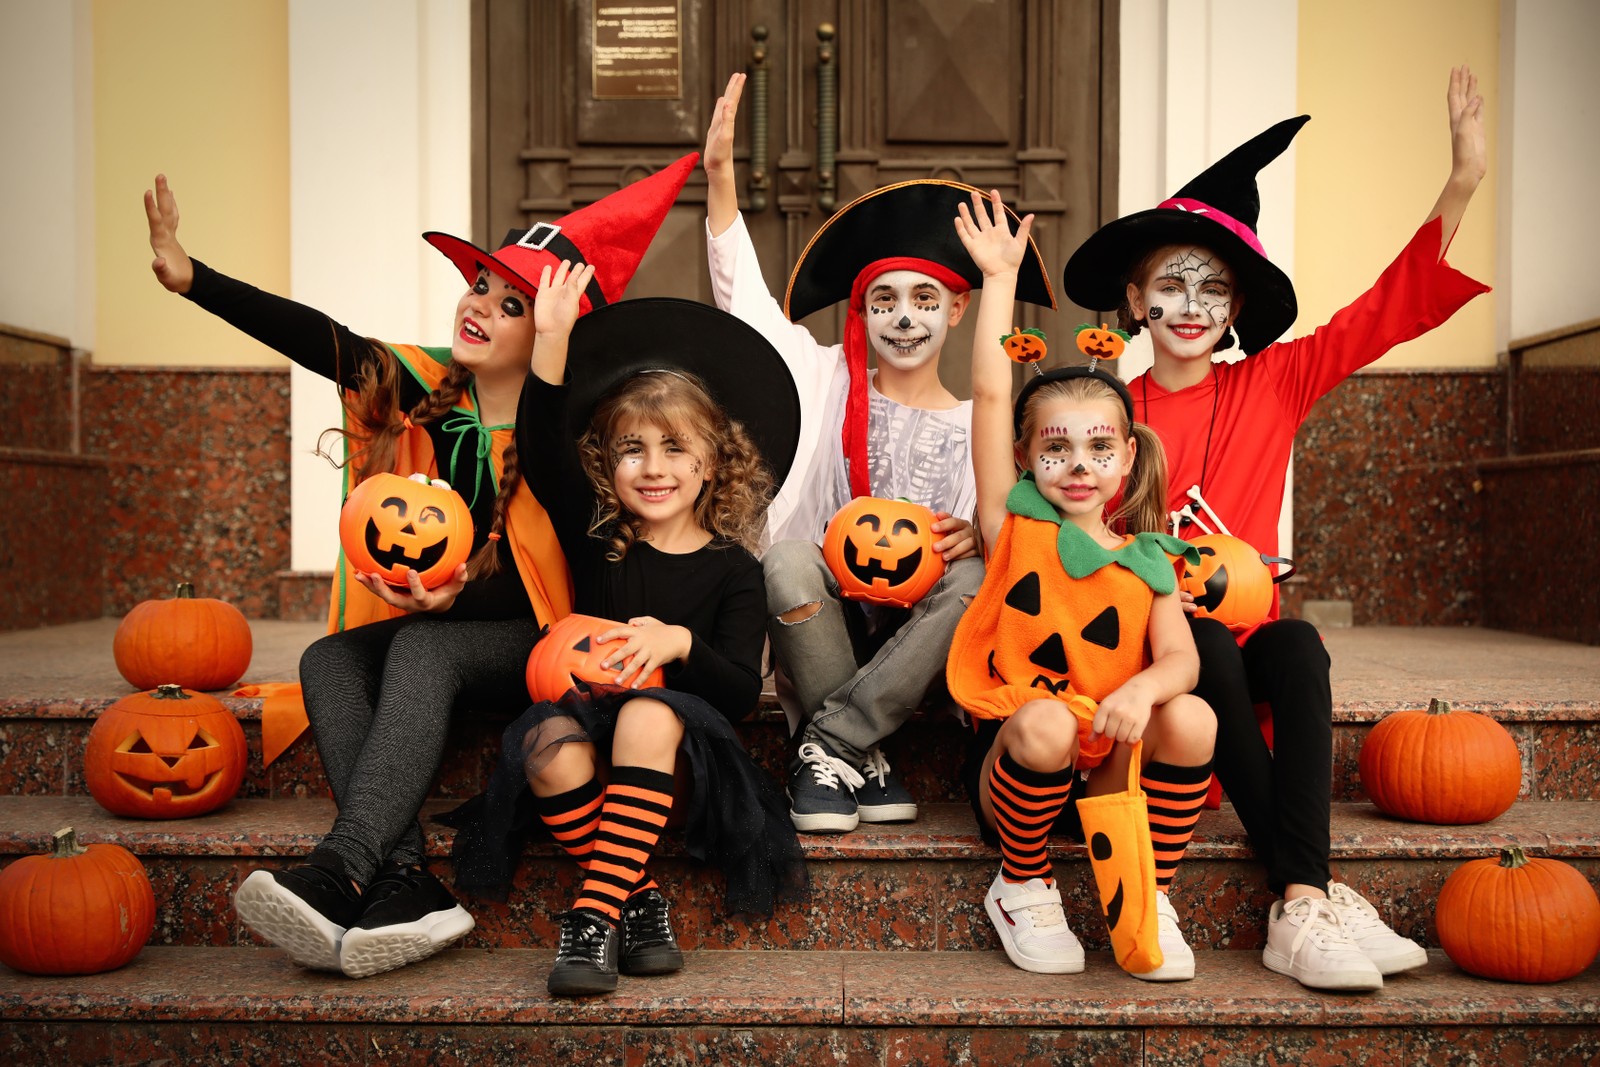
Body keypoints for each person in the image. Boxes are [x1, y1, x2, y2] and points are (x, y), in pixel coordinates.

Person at [143, 157, 695, 978]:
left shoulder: (578, 433)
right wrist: (196, 279)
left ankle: (346, 863)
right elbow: (323, 338)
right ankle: (406, 876)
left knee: (421, 649)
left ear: (553, 331)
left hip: (542, 641)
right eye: (480, 283)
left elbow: (554, 577)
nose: (481, 305)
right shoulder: (428, 386)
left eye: (514, 304)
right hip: (438, 627)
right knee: (328, 658)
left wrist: (453, 596)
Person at [1060, 66, 1490, 991]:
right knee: (1203, 634)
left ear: (1236, 313)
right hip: (1161, 680)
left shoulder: (1274, 383)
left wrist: (1461, 181)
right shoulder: (1101, 410)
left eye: (1213, 290)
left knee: (1295, 641)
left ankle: (1299, 900)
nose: (1190, 306)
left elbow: (1382, 313)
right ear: (1134, 301)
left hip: (1246, 679)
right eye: (1169, 286)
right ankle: (1311, 890)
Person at [703, 73, 1055, 833]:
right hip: (827, 621)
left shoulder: (974, 425)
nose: (904, 317)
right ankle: (862, 754)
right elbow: (743, 300)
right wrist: (722, 179)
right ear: (860, 308)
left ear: (957, 310)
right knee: (788, 560)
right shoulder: (822, 375)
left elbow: (998, 528)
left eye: (924, 301)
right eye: (884, 299)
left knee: (970, 574)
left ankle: (831, 742)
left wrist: (977, 532)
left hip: (920, 647)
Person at [444, 266, 808, 997]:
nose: (653, 466)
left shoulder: (735, 568)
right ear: (607, 464)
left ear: (712, 463)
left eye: (675, 448)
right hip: (587, 731)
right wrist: (550, 337)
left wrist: (679, 644)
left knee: (647, 708)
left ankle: (588, 914)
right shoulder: (599, 536)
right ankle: (636, 901)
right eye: (631, 448)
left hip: (683, 760)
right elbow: (542, 441)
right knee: (543, 742)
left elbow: (740, 690)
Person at [945, 189, 1217, 981]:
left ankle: (1146, 891)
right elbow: (994, 395)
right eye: (1056, 447)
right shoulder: (1017, 528)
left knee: (1192, 717)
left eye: (1100, 447)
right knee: (1044, 725)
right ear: (1028, 458)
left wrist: (1144, 692)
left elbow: (1182, 659)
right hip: (1022, 761)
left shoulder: (1148, 558)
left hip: (1108, 767)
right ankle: (1021, 885)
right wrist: (999, 278)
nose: (1078, 464)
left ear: (1128, 459)